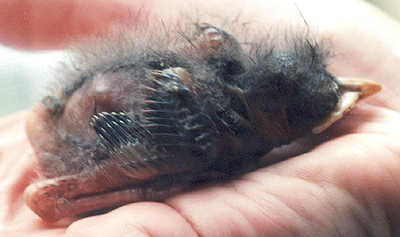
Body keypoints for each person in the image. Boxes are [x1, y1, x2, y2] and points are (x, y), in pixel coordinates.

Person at [1, 0, 400, 236]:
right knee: (189, 155)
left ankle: (68, 184)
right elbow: (182, 79)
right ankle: (66, 191)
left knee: (188, 153)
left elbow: (185, 74)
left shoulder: (222, 77)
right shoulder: (220, 124)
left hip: (77, 123)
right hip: (86, 138)